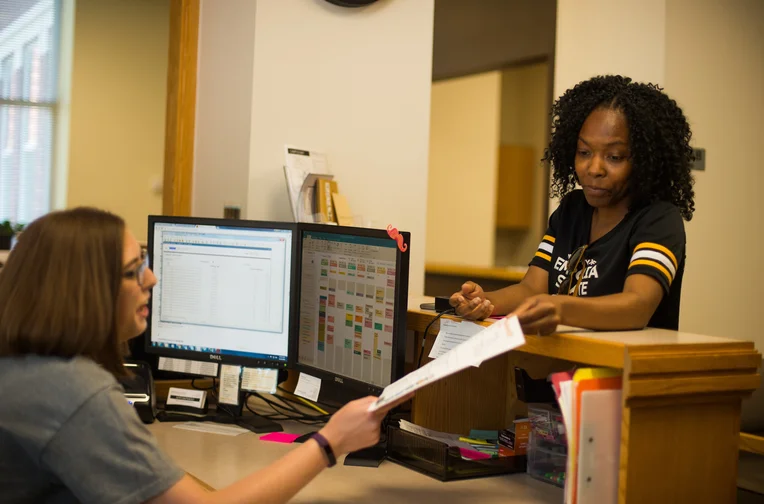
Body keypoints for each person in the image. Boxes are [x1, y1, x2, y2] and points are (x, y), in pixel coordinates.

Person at [0, 208, 409, 504]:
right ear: (85, 293)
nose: (153, 278)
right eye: (133, 270)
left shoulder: (28, 367)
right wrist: (329, 441)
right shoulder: (74, 394)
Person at [450, 75, 695, 334]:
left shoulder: (658, 219)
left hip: (622, 371)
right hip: (562, 369)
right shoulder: (571, 210)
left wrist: (560, 307)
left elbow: (637, 306)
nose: (594, 168)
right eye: (584, 152)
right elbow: (532, 289)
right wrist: (484, 301)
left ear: (646, 160)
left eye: (614, 157)